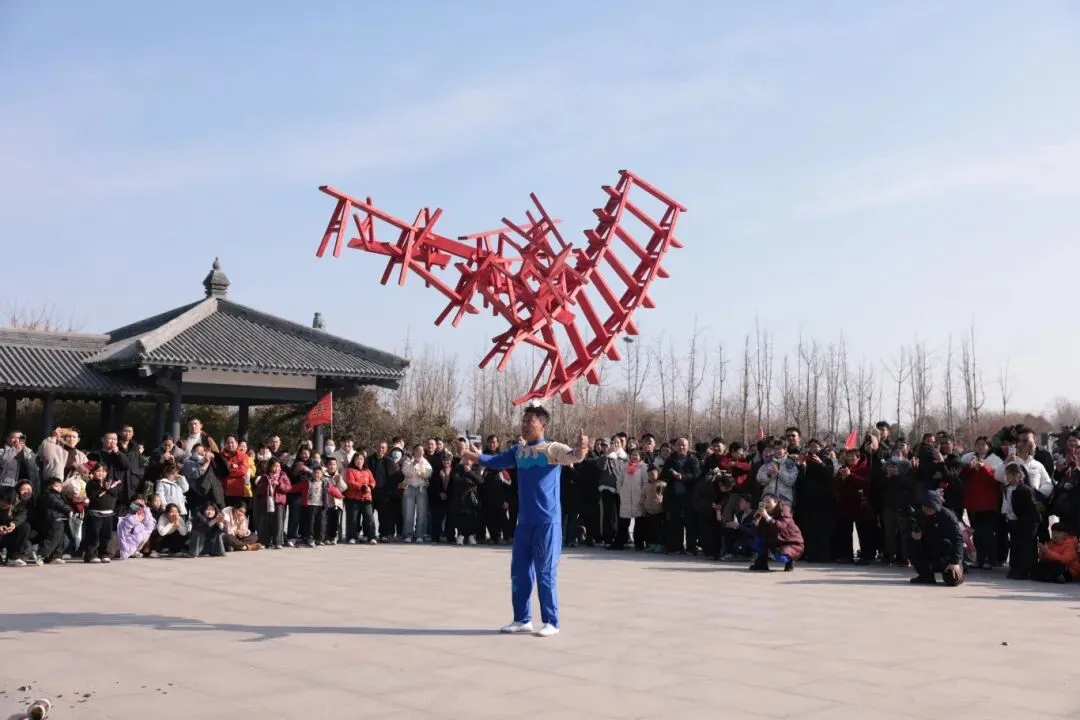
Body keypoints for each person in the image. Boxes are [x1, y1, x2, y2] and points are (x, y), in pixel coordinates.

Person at [461, 406, 589, 637]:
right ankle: (522, 619)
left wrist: (582, 448)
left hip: (547, 522)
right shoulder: (519, 451)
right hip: (524, 523)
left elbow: (575, 456)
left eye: (530, 420)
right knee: (519, 572)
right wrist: (473, 455)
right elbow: (495, 461)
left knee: (545, 572)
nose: (525, 424)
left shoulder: (552, 449)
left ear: (543, 425)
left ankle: (551, 621)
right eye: (524, 420)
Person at [909, 489, 965, 586]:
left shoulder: (948, 517)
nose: (926, 509)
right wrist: (914, 536)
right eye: (925, 506)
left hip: (946, 552)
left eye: (930, 507)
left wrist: (955, 562)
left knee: (953, 579)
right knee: (912, 545)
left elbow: (958, 539)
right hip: (928, 549)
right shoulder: (919, 515)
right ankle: (925, 575)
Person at [749, 494, 804, 572]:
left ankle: (790, 561)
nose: (766, 504)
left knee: (781, 558)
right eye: (764, 502)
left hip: (790, 542)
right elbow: (756, 532)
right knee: (757, 540)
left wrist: (767, 517)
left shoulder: (784, 510)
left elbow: (780, 527)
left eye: (768, 502)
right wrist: (756, 521)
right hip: (774, 541)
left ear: (776, 502)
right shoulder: (763, 514)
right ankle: (761, 563)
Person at [83, 460, 121, 564]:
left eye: (104, 471)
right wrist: (102, 487)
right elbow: (93, 495)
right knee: (94, 535)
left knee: (106, 536)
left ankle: (104, 554)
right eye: (98, 471)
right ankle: (91, 555)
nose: (101, 473)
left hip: (108, 514)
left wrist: (108, 488)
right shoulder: (91, 484)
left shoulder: (110, 483)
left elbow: (115, 494)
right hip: (95, 514)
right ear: (93, 472)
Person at [344, 453, 377, 544]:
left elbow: (373, 481)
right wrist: (362, 487)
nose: (359, 461)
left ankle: (371, 537)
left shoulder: (367, 471)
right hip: (353, 498)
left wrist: (370, 486)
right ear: (354, 460)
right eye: (357, 459)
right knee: (353, 519)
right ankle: (352, 537)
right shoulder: (350, 470)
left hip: (366, 498)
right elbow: (350, 482)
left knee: (369, 517)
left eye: (361, 459)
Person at [0, 485, 32, 566]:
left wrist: (14, 524)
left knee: (25, 526)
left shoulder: (19, 505)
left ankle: (13, 557)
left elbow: (22, 515)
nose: (4, 505)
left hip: (7, 535)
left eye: (7, 504)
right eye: (2, 503)